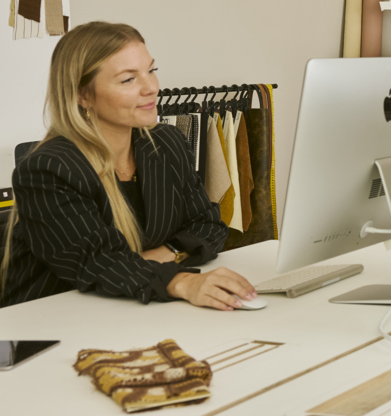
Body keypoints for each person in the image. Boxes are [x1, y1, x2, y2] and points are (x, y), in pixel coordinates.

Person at [0, 22, 255, 310]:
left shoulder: (166, 143)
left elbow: (209, 226)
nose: (151, 88)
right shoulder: (48, 169)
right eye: (128, 80)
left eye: (151, 71)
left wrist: (165, 253)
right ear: (82, 95)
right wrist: (182, 282)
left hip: (128, 308)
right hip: (48, 323)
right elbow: (97, 261)